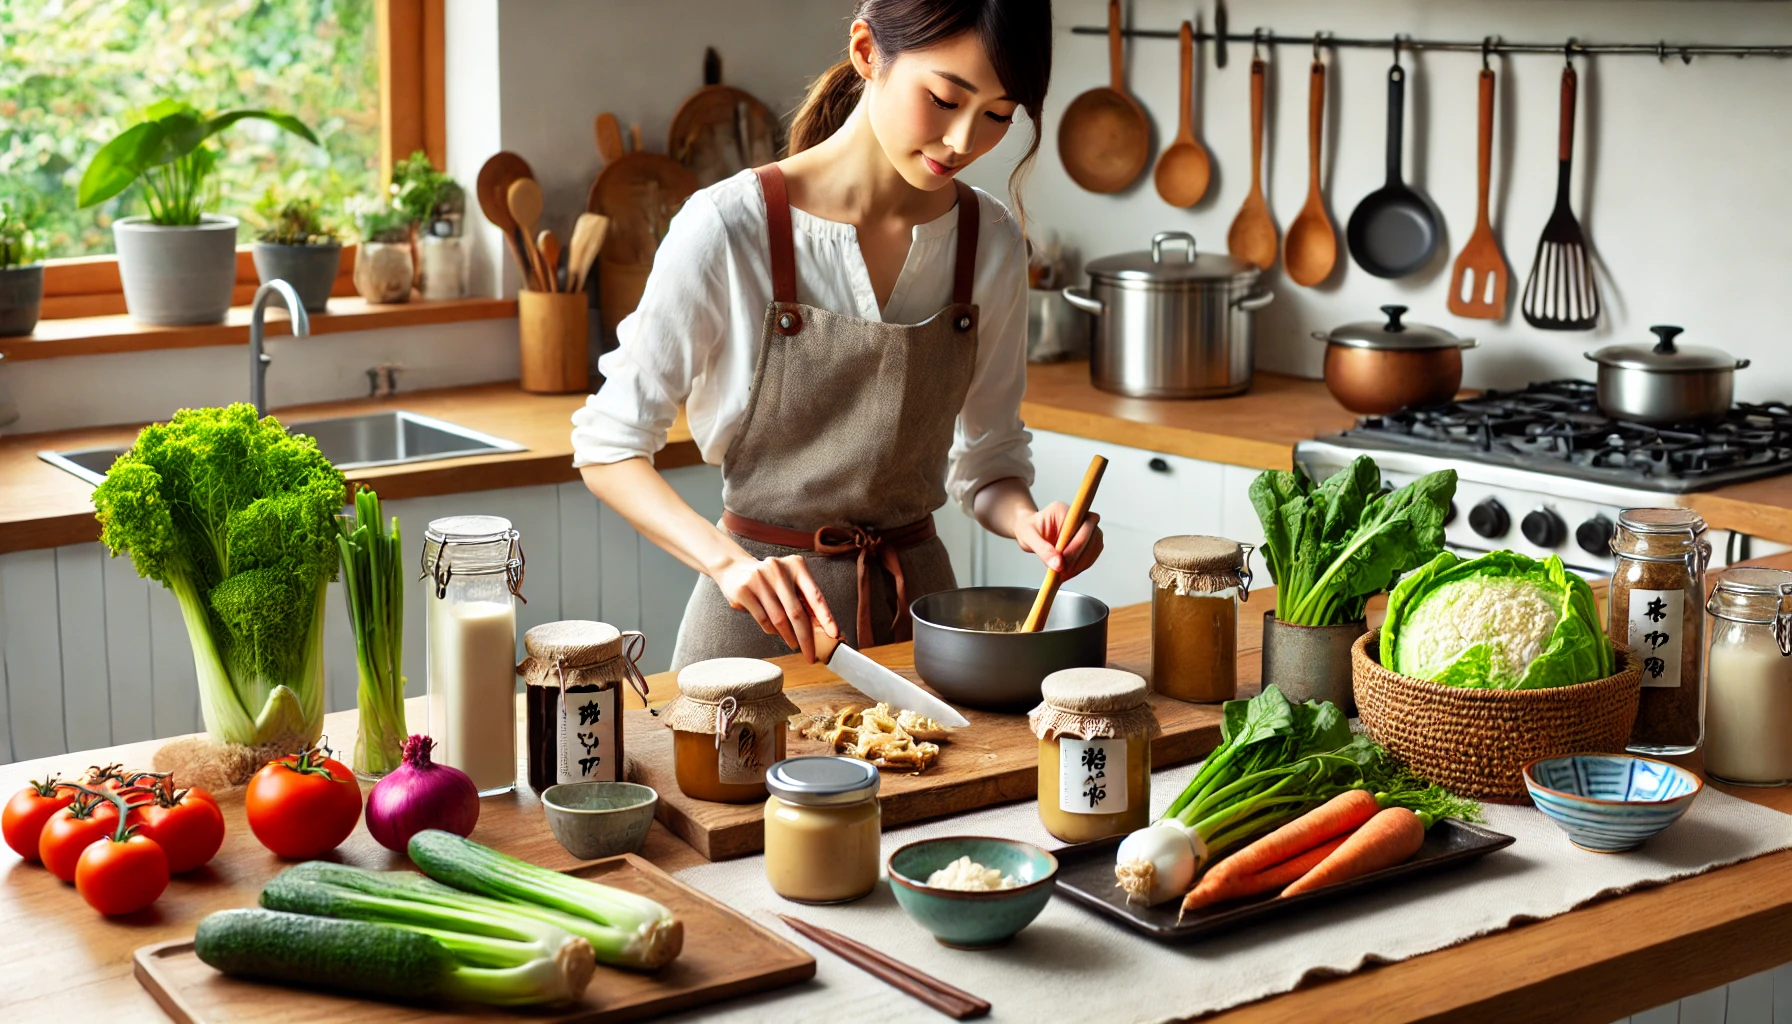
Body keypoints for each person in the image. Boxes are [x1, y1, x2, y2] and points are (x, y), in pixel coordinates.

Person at [572, 0, 1101, 670]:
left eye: (999, 116)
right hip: (754, 632)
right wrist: (728, 564)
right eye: (943, 98)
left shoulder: (989, 242)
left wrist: (1026, 521)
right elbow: (608, 449)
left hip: (923, 632)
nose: (964, 141)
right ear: (866, 52)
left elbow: (990, 459)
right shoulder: (729, 227)